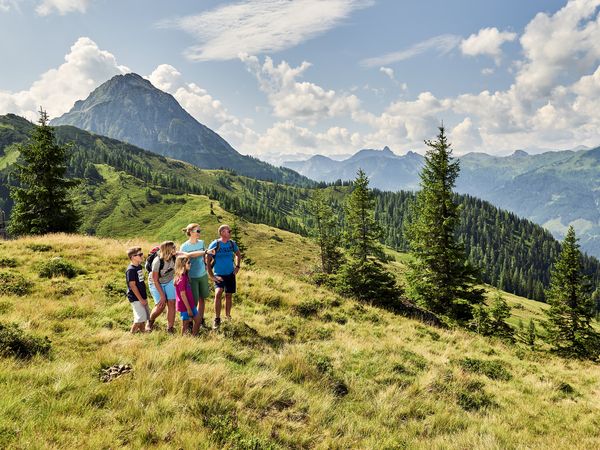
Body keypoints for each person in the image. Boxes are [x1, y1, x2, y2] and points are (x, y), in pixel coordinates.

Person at [207, 224, 242, 329]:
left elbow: (238, 254)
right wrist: (211, 275)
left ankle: (227, 316)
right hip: (219, 274)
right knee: (218, 293)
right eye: (229, 231)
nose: (230, 233)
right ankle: (217, 318)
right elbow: (207, 260)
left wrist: (237, 266)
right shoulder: (215, 244)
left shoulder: (232, 244)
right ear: (222, 232)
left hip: (230, 274)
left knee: (228, 295)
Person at [180, 223, 211, 328]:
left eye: (199, 231)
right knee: (193, 301)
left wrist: (206, 265)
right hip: (191, 277)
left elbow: (204, 255)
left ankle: (200, 319)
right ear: (190, 232)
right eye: (197, 231)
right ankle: (190, 322)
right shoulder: (184, 246)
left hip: (202, 274)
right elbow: (182, 262)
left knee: (202, 298)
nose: (199, 233)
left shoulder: (201, 243)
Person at [147, 241, 178, 333]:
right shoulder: (157, 262)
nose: (175, 249)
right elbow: (155, 280)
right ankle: (150, 321)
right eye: (174, 248)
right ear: (168, 250)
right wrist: (162, 296)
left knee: (172, 303)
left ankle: (170, 328)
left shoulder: (175, 257)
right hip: (155, 282)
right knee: (161, 305)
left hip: (169, 281)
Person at [173, 255, 201, 335]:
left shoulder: (186, 275)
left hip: (190, 304)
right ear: (182, 265)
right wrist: (188, 309)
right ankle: (183, 340)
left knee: (198, 320)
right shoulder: (181, 279)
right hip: (185, 305)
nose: (190, 264)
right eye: (188, 263)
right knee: (185, 324)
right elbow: (183, 295)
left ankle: (194, 336)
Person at [125, 247, 150, 333]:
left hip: (142, 295)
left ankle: (143, 333)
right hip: (136, 297)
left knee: (144, 317)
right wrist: (141, 299)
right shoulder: (131, 270)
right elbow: (132, 286)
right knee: (139, 318)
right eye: (139, 255)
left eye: (141, 254)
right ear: (133, 257)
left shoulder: (139, 266)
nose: (142, 256)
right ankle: (131, 335)